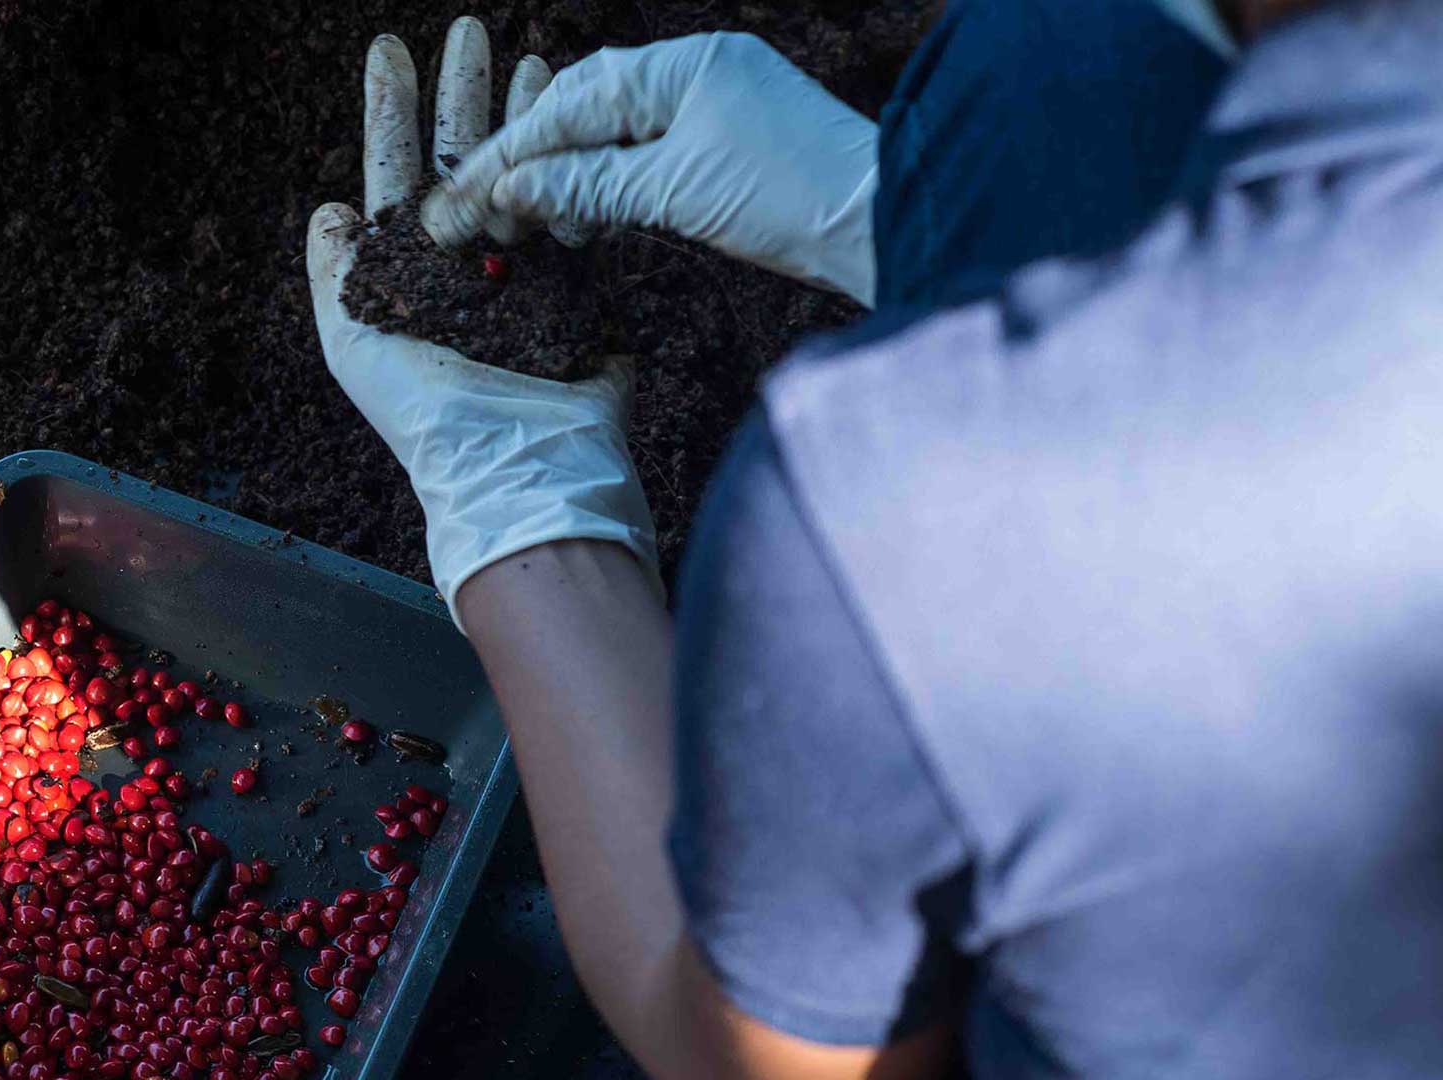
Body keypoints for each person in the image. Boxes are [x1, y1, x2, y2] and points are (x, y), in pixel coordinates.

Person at [307, 0, 1443, 1076]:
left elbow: (762, 1059)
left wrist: (523, 504)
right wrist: (888, 215)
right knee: (1070, 68)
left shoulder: (903, 501)